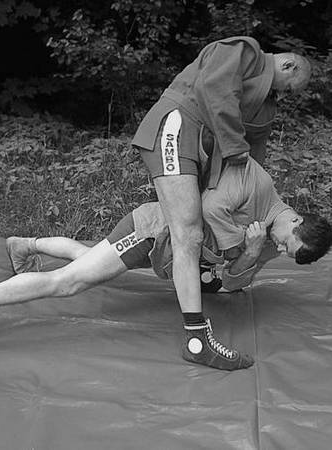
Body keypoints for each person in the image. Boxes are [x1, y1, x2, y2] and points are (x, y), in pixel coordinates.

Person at [0, 158, 332, 371]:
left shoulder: (268, 242)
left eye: (285, 254)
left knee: (86, 261)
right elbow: (208, 208)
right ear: (296, 221)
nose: (278, 249)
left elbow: (231, 284)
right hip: (152, 230)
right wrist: (238, 245)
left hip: (174, 254)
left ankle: (26, 244)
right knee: (70, 282)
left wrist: (249, 254)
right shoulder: (258, 184)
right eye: (286, 244)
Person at [130, 36, 312, 370]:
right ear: (287, 65)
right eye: (289, 88)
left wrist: (246, 186)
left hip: (202, 154)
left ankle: (31, 245)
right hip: (178, 126)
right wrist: (235, 151)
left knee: (93, 267)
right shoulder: (245, 52)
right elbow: (215, 90)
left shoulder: (266, 105)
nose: (284, 96)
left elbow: (254, 154)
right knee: (187, 235)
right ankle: (196, 337)